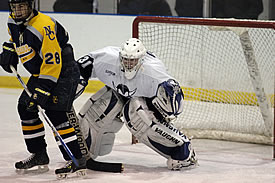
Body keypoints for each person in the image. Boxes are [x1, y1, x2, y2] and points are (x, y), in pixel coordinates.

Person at [76, 38, 198, 170]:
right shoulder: (107, 58)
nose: (128, 63)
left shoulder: (153, 72)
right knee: (101, 105)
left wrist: (162, 111)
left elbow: (173, 97)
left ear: (141, 59)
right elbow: (82, 65)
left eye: (133, 60)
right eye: (126, 59)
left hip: (143, 99)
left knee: (136, 114)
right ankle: (84, 151)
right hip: (117, 93)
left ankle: (183, 150)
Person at [0, 0, 86, 178]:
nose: (18, 10)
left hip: (63, 71)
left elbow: (53, 62)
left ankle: (76, 159)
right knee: (25, 107)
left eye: (22, 6)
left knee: (56, 113)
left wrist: (41, 91)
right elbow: (16, 39)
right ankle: (39, 154)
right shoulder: (12, 21)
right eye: (15, 6)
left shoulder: (43, 26)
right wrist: (9, 50)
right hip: (42, 72)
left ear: (31, 6)